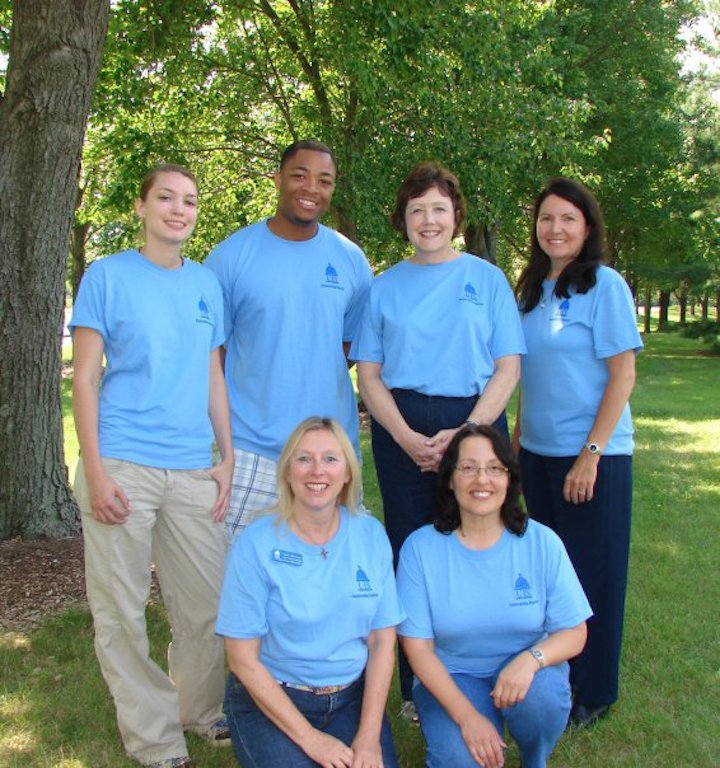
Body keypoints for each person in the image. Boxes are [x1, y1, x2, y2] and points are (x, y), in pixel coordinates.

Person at [71, 164, 233, 768]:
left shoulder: (206, 285)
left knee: (207, 603)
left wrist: (228, 455)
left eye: (189, 200)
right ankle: (154, 739)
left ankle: (196, 709)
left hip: (193, 466)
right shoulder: (108, 276)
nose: (178, 209)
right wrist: (95, 470)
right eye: (165, 198)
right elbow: (85, 378)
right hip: (123, 460)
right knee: (122, 609)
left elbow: (212, 374)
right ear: (141, 206)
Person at [351, 162, 525, 718]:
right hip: (402, 424)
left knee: (477, 539)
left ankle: (488, 663)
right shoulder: (383, 288)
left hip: (473, 420)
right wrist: (403, 436)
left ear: (456, 217)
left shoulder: (487, 279)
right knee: (411, 549)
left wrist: (470, 435)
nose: (428, 220)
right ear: (403, 220)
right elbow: (369, 373)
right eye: (417, 210)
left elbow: (507, 367)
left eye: (439, 209)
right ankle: (414, 683)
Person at [514, 177, 643, 729]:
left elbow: (623, 374)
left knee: (593, 574)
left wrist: (590, 453)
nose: (556, 228)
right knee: (549, 575)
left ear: (587, 227)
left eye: (568, 218)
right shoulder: (531, 288)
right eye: (547, 218)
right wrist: (516, 447)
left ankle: (593, 693)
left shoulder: (605, 286)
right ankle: (555, 674)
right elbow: (528, 377)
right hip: (538, 455)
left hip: (593, 457)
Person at [205, 140, 373, 537]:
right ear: (278, 178)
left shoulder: (350, 259)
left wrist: (310, 359)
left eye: (324, 180)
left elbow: (352, 343)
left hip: (331, 453)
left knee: (331, 580)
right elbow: (215, 354)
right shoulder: (231, 256)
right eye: (299, 175)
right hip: (251, 451)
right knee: (238, 580)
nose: (311, 188)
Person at [397, 425, 591, 768]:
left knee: (543, 701)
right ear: (450, 480)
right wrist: (467, 718)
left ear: (508, 478)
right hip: (452, 675)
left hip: (525, 670)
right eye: (468, 468)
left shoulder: (542, 542)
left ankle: (534, 759)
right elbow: (418, 650)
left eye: (493, 468)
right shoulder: (420, 548)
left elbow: (575, 632)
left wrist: (530, 660)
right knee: (458, 759)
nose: (481, 479)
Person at [216, 417, 403, 768]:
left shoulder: (371, 536)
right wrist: (312, 740)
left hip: (350, 698)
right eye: (304, 459)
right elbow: (242, 659)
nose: (317, 470)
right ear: (287, 472)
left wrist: (368, 736)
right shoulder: (256, 544)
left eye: (331, 459)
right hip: (270, 701)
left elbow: (382, 642)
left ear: (347, 473)